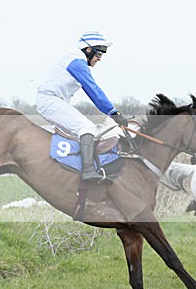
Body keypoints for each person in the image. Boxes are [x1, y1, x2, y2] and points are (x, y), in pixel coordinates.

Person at [36, 31, 129, 182]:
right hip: (50, 101)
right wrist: (114, 113)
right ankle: (88, 171)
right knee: (87, 128)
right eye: (99, 54)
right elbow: (94, 91)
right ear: (88, 50)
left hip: (54, 100)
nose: (100, 58)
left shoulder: (76, 60)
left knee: (85, 133)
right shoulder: (77, 61)